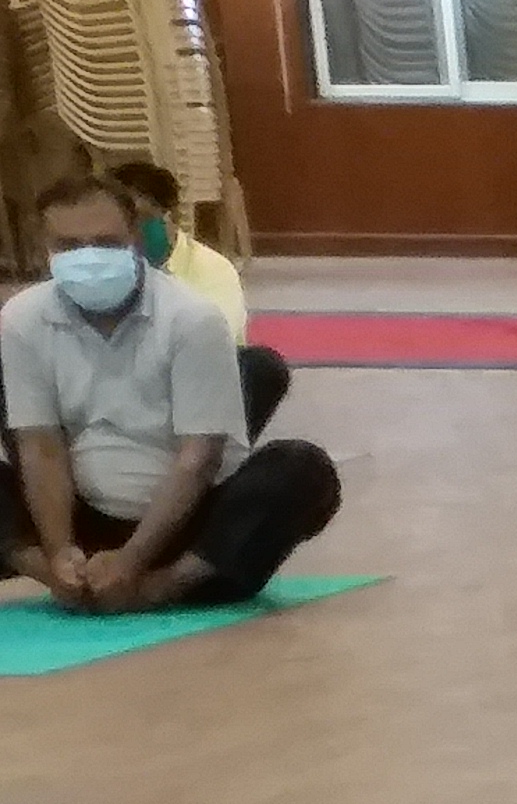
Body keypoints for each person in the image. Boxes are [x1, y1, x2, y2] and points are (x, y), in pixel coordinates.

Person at [3, 171, 342, 616]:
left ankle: (161, 588)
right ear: (43, 249)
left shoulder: (191, 319)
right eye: (69, 246)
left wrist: (132, 562)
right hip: (83, 515)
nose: (88, 258)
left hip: (188, 526)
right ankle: (70, 583)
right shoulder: (22, 318)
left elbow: (196, 458)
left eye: (105, 243)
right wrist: (59, 554)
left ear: (136, 242)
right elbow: (40, 448)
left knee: (301, 470)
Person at [98, 159, 279, 439]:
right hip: (108, 400)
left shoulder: (211, 268)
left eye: (141, 219)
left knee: (258, 367)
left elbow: (217, 345)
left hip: (189, 399)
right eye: (121, 224)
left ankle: (209, 465)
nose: (131, 234)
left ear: (171, 217)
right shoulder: (96, 270)